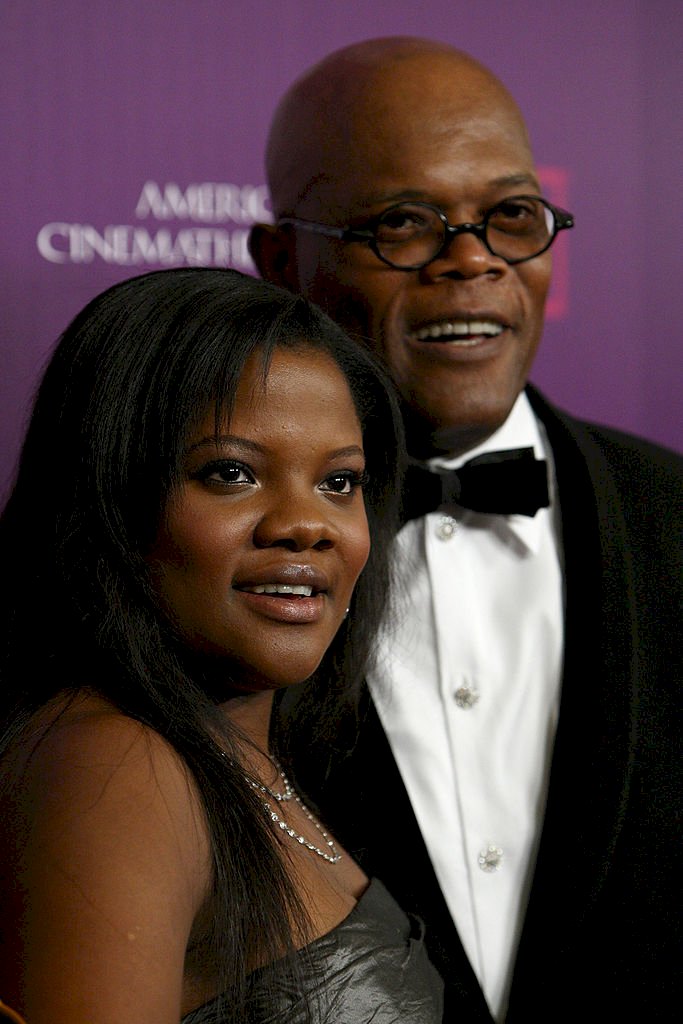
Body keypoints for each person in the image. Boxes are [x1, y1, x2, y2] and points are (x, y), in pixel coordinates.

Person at [249, 36, 683, 1021]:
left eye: (510, 217)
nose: (472, 262)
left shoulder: (675, 521)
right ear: (281, 261)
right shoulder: (194, 557)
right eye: (404, 223)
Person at [0, 267, 445, 1024]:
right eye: (231, 473)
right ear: (109, 499)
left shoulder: (240, 758)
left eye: (340, 482)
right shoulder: (111, 768)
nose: (308, 524)